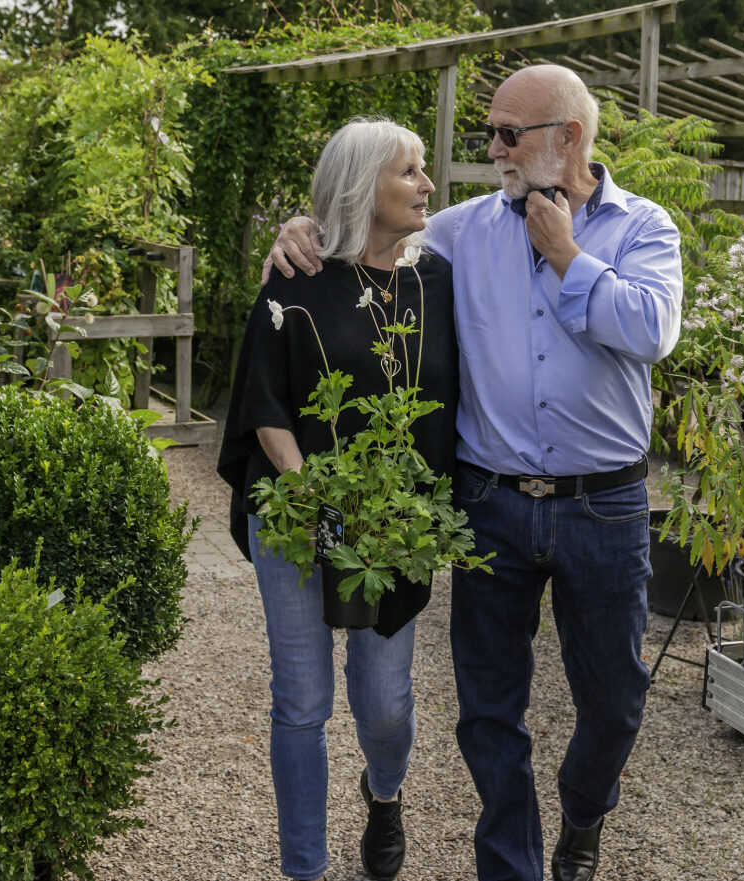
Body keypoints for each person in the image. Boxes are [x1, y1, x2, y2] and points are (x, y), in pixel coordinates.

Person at [263, 64, 684, 881]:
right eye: (488, 130)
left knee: (615, 697)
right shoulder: (461, 228)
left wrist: (567, 256)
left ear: (566, 137)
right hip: (488, 499)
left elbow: (651, 330)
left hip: (605, 505)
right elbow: (368, 236)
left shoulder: (642, 227)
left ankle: (584, 810)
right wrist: (299, 227)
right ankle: (509, 865)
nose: (489, 149)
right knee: (489, 708)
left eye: (506, 133)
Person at [218, 117, 458, 881]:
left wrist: (379, 513)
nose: (427, 184)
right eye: (410, 172)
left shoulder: (437, 282)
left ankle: (383, 792)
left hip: (392, 524)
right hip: (293, 513)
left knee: (383, 700)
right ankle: (305, 867)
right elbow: (263, 407)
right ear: (363, 188)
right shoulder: (294, 280)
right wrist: (316, 498)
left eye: (424, 170)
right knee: (302, 697)